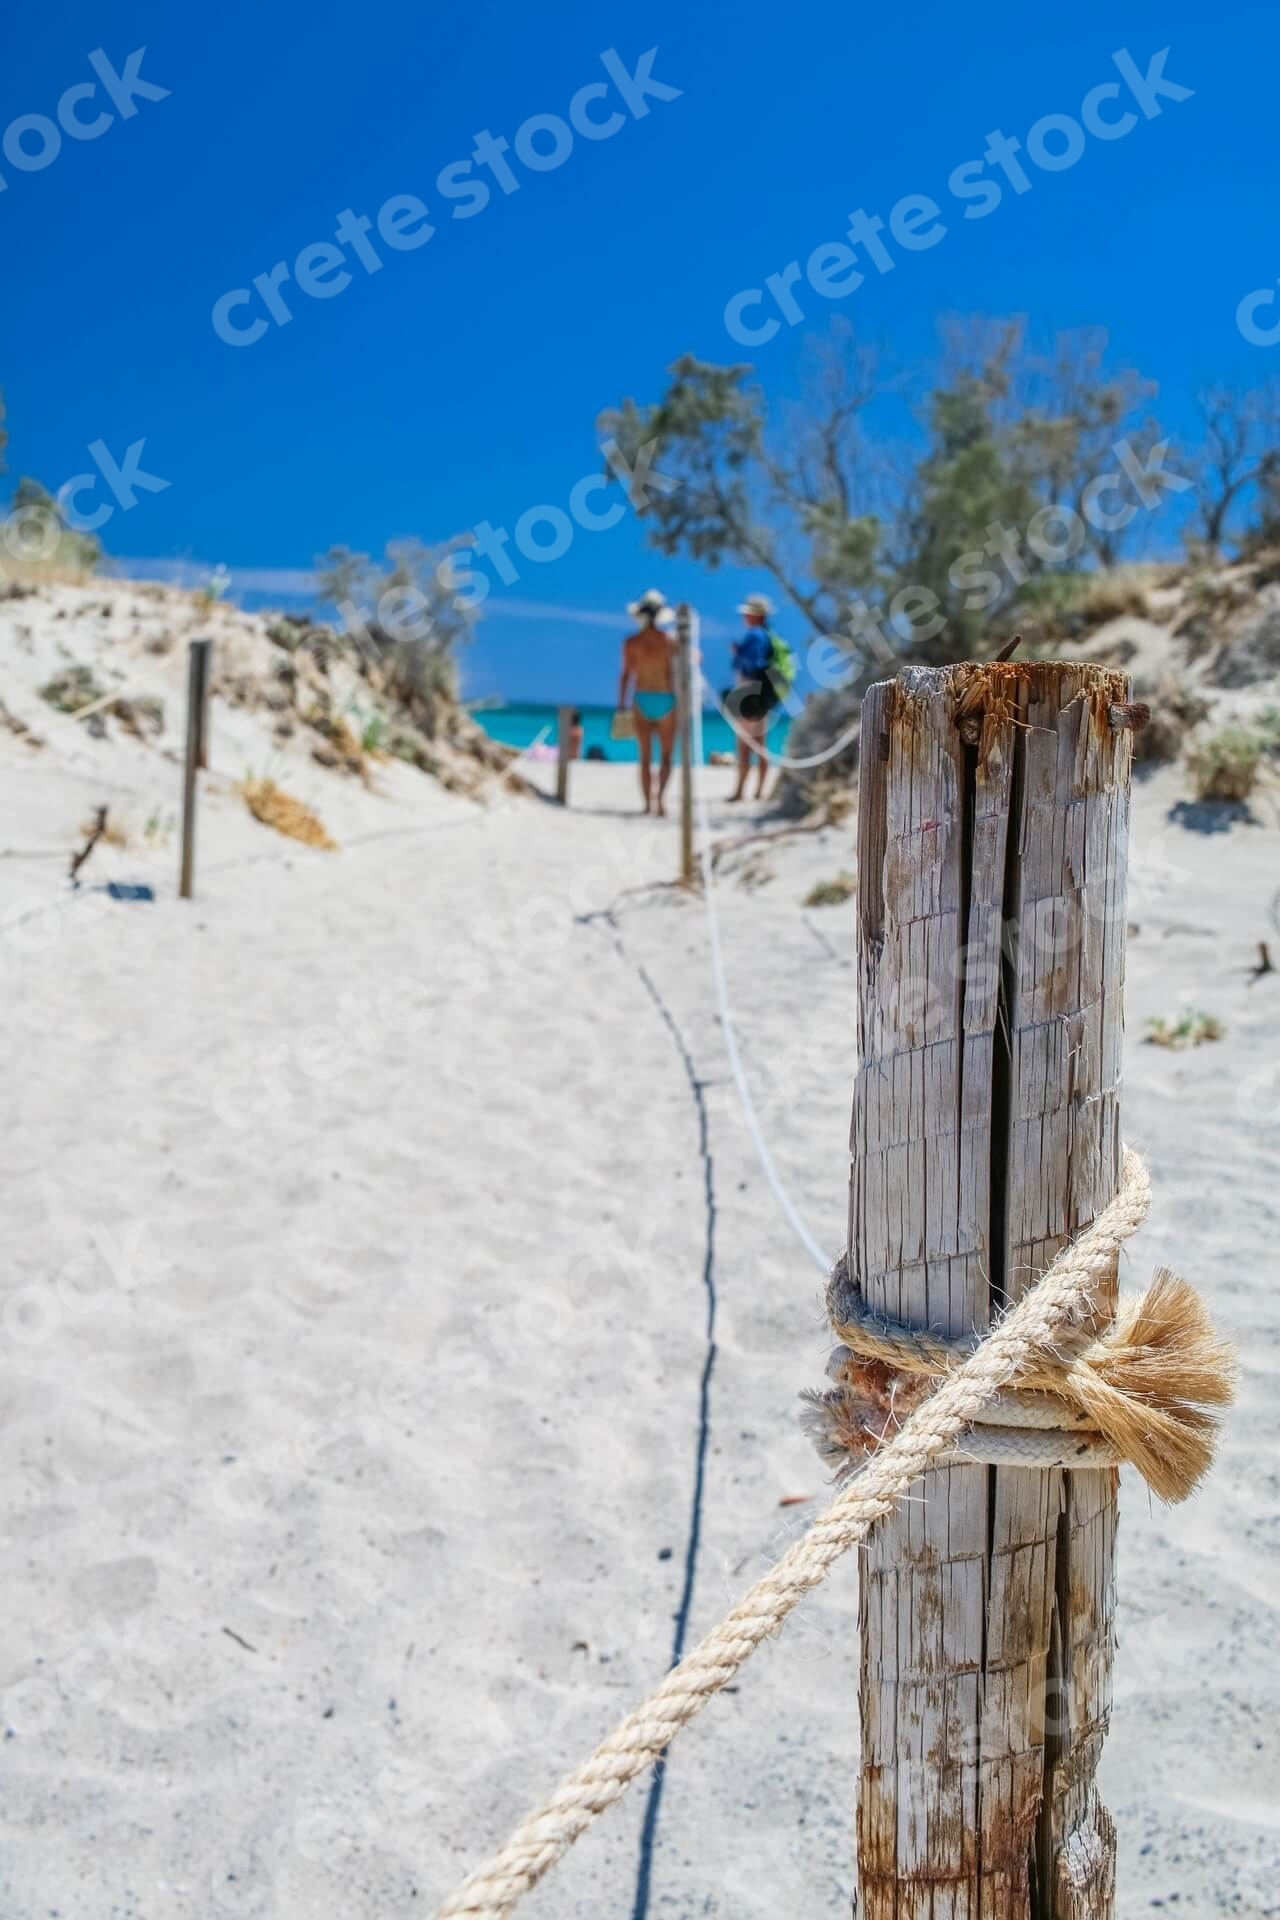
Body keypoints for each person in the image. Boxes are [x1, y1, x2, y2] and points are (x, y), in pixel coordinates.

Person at [617, 588, 678, 815]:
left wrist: (621, 705)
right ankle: (660, 800)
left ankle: (646, 804)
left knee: (644, 757)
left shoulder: (632, 642)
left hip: (641, 698)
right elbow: (679, 673)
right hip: (666, 699)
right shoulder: (670, 642)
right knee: (666, 756)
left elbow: (626, 675)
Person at [729, 592, 782, 801]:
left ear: (756, 616)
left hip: (750, 693)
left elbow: (752, 664)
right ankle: (760, 791)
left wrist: (738, 653)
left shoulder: (754, 636)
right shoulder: (769, 636)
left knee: (744, 744)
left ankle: (740, 791)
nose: (744, 617)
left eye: (748, 613)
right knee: (761, 744)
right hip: (764, 695)